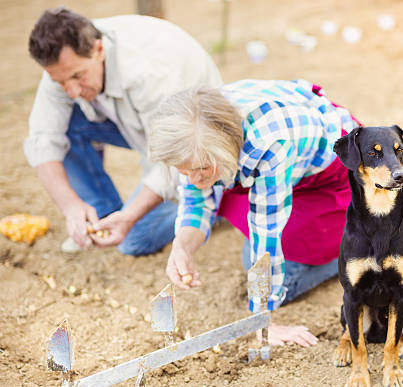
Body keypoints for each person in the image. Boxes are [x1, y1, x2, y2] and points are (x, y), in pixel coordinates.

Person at [148, 80, 360, 346]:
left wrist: (263, 320)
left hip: (335, 173)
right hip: (280, 165)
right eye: (184, 170)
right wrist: (182, 247)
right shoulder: (195, 134)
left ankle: (354, 252)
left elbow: (267, 234)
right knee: (247, 251)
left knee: (263, 265)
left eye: (201, 169)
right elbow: (196, 201)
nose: (191, 179)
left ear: (223, 151)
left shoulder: (268, 146)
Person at [25, 7, 223, 255]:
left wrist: (130, 217)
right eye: (61, 82)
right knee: (65, 121)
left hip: (193, 141)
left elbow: (170, 163)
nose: (72, 90)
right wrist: (70, 206)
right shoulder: (64, 63)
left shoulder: (152, 72)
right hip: (136, 126)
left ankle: (211, 204)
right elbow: (43, 138)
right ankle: (100, 219)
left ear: (98, 49)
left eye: (78, 77)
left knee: (135, 240)